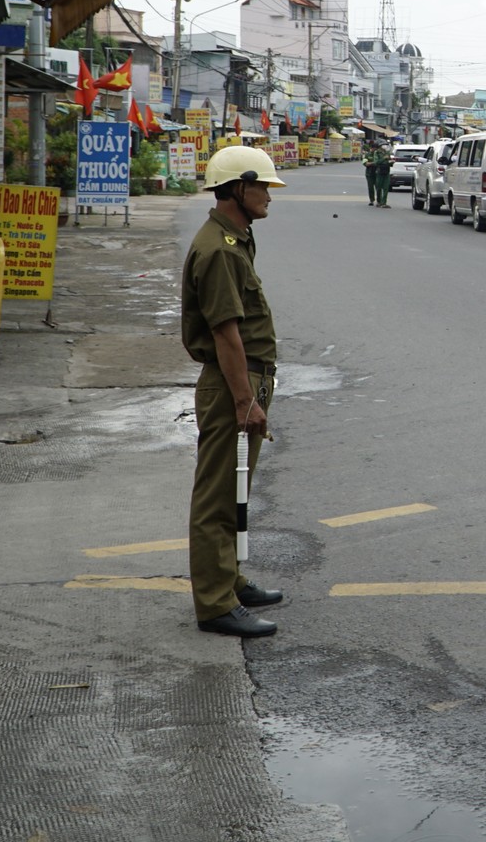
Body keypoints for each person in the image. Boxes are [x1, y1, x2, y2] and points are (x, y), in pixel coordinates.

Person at [181, 144, 288, 639]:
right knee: (219, 496)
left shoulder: (235, 237)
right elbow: (226, 334)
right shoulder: (219, 249)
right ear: (236, 189)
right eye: (262, 186)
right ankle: (215, 603)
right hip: (231, 385)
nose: (269, 195)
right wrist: (246, 400)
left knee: (235, 490)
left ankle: (229, 581)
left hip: (244, 380)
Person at [366, 137, 394, 208]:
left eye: (385, 145)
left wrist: (391, 162)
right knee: (378, 187)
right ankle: (379, 201)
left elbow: (389, 162)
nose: (385, 146)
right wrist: (384, 158)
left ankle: (384, 202)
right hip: (379, 172)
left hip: (386, 171)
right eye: (383, 145)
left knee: (386, 188)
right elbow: (376, 162)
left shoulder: (387, 152)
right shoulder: (377, 153)